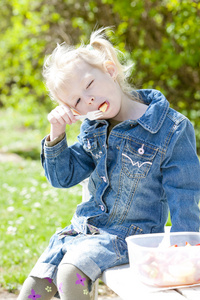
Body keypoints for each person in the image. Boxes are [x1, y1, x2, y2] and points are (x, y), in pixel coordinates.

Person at [18, 28, 200, 300]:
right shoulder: (93, 127)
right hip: (81, 232)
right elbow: (63, 178)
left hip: (129, 238)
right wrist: (56, 135)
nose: (88, 99)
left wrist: (184, 251)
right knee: (33, 289)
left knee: (70, 274)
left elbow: (184, 196)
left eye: (89, 85)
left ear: (110, 70)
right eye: (77, 101)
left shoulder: (170, 129)